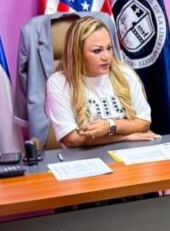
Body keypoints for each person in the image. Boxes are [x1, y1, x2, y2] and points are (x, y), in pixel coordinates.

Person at [45, 16, 159, 148]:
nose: (107, 57)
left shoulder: (124, 73)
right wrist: (125, 136)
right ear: (78, 54)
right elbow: (71, 139)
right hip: (85, 157)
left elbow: (144, 122)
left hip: (129, 153)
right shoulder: (58, 82)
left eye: (109, 48)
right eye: (97, 51)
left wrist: (109, 126)